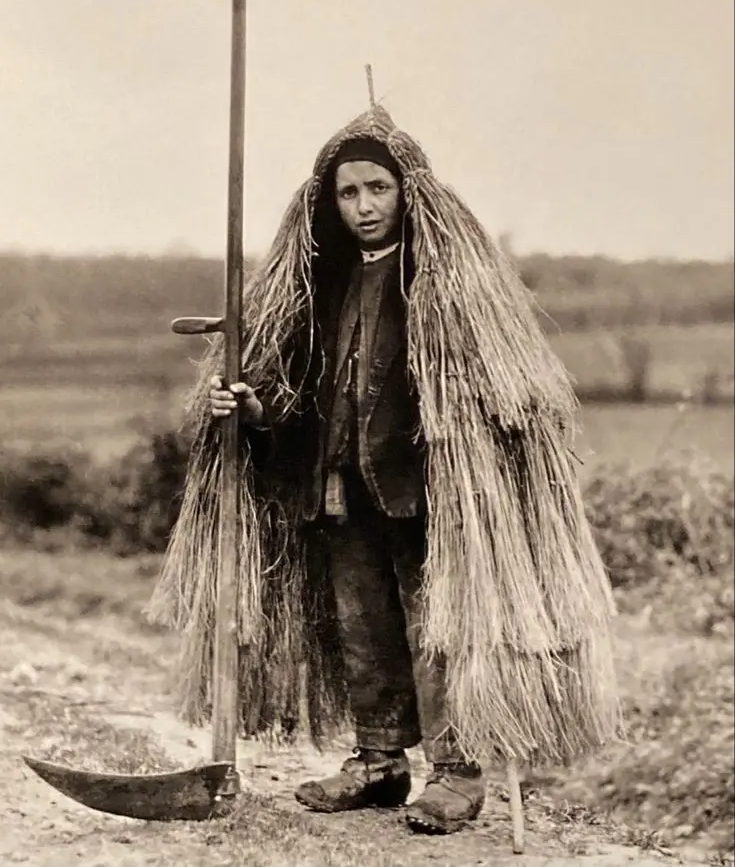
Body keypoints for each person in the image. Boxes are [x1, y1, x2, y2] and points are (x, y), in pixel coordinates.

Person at [150, 104, 621, 837]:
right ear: (327, 202)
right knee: (360, 624)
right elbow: (292, 387)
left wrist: (476, 434)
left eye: (377, 189)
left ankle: (457, 773)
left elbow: (515, 389)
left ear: (407, 192)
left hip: (427, 488)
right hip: (336, 483)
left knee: (437, 627)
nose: (363, 207)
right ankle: (377, 761)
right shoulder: (320, 284)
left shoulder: (446, 285)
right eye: (347, 193)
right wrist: (249, 404)